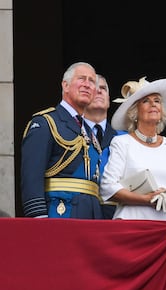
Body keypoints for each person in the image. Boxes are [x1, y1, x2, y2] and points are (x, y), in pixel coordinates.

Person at [99, 76, 166, 220]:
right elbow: (108, 187)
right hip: (134, 223)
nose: (153, 104)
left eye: (157, 101)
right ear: (134, 112)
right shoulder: (122, 143)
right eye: (146, 101)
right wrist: (147, 200)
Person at [21, 61, 104, 219]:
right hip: (59, 212)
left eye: (92, 81)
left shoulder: (90, 131)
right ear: (65, 86)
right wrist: (38, 218)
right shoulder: (46, 122)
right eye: (81, 79)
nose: (87, 85)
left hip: (92, 215)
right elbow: (31, 177)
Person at [83, 74, 120, 219]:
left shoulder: (124, 138)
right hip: (82, 213)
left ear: (109, 100)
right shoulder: (70, 134)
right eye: (94, 88)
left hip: (116, 214)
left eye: (103, 88)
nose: (99, 91)